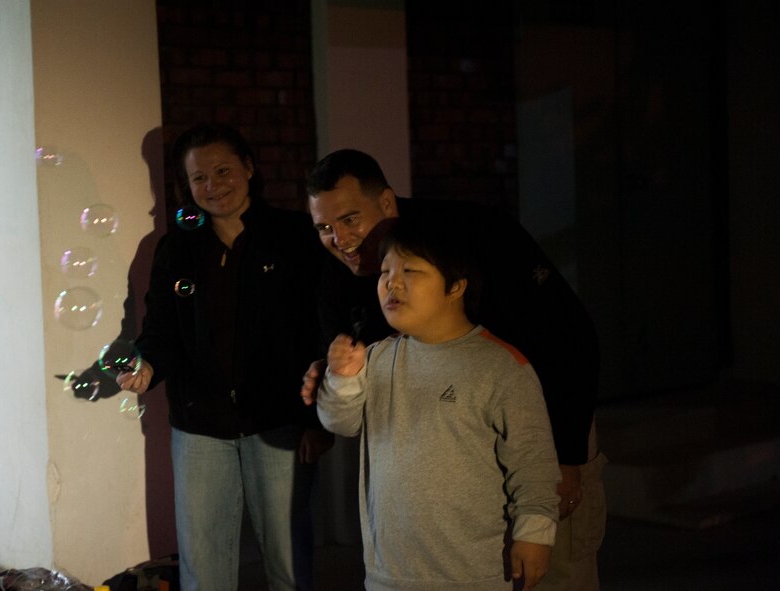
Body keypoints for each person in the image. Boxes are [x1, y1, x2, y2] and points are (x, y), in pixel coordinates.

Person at [301, 149, 606, 591]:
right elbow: (348, 373)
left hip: (541, 423)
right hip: (433, 487)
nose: (341, 239)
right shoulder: (339, 274)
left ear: (386, 202)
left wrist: (567, 455)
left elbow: (568, 337)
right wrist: (335, 375)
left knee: (550, 570)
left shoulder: (470, 235)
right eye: (324, 228)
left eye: (350, 220)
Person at [117, 123, 333, 591]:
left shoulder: (294, 237)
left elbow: (319, 331)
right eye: (199, 178)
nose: (212, 186)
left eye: (222, 171)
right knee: (203, 570)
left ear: (249, 168)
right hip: (200, 428)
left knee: (288, 566)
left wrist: (317, 421)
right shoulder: (176, 248)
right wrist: (147, 366)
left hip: (278, 422)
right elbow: (160, 331)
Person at [318, 216, 561, 590]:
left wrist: (535, 534)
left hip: (472, 575)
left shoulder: (501, 367)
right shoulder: (377, 358)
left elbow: (533, 463)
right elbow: (341, 422)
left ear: (456, 286)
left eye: (410, 270)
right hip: (388, 573)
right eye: (385, 272)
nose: (392, 283)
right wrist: (342, 378)